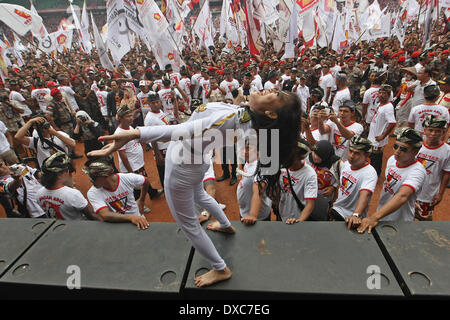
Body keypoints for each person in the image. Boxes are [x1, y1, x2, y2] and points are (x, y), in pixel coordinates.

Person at [87, 89, 302, 288]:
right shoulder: (249, 116)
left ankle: (220, 268)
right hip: (194, 161)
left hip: (180, 167)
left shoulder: (237, 120)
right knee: (199, 194)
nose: (267, 90)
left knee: (188, 224)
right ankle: (226, 225)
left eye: (274, 95)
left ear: (271, 114)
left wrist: (134, 134)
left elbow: (183, 130)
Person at [358, 128, 427, 233]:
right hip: (383, 215)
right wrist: (412, 199)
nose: (397, 151)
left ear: (415, 151)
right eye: (396, 146)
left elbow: (402, 196)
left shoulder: (417, 171)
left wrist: (374, 217)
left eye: (403, 149)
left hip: (400, 222)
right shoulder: (392, 160)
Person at [83, 158, 151, 230]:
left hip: (138, 221)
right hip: (117, 226)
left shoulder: (126, 178)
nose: (91, 180)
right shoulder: (93, 192)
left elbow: (145, 181)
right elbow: (105, 214)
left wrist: (141, 200)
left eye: (93, 177)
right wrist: (131, 217)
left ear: (105, 175)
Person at [114, 105, 163, 204]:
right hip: (132, 166)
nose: (131, 118)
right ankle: (137, 203)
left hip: (138, 164)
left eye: (131, 115)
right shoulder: (119, 134)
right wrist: (130, 171)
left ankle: (152, 193)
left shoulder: (129, 127)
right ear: (121, 118)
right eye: (128, 116)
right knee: (136, 187)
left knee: (144, 179)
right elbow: (122, 155)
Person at [329, 136, 378, 229]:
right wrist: (333, 203)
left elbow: (365, 195)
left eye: (357, 153)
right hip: (336, 210)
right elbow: (341, 186)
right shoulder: (346, 165)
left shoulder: (370, 173)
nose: (352, 156)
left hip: (350, 219)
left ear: (367, 155)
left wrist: (355, 215)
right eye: (350, 151)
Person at [37, 152, 99, 220]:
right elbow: (91, 216)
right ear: (60, 174)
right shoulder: (72, 194)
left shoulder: (39, 193)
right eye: (67, 170)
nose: (68, 173)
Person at [415, 116, 450, 220]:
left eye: (438, 131)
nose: (433, 134)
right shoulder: (416, 144)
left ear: (444, 132)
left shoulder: (447, 151)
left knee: (425, 219)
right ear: (425, 130)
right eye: (430, 130)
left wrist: (440, 193)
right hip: (411, 188)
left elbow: (446, 173)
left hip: (428, 193)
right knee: (405, 216)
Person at [278, 140, 317, 224]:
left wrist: (298, 221)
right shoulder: (282, 166)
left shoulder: (310, 174)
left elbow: (310, 204)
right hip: (281, 214)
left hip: (297, 218)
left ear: (301, 157)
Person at [237, 141, 272, 225]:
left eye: (249, 148)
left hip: (258, 218)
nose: (245, 151)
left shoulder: (260, 168)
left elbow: (258, 192)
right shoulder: (249, 161)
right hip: (245, 212)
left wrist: (252, 215)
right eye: (243, 148)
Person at [367, 84, 397, 176]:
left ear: (388, 95)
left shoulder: (388, 107)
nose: (380, 95)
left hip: (378, 139)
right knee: (372, 156)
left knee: (376, 158)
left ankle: (375, 175)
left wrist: (383, 135)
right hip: (373, 136)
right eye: (379, 93)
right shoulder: (380, 104)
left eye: (383, 93)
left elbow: (392, 123)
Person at [306, 140, 341, 217]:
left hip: (324, 201)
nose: (314, 156)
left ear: (326, 156)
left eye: (319, 155)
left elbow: (342, 179)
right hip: (308, 197)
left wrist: (333, 187)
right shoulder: (308, 159)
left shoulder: (337, 164)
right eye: (314, 152)